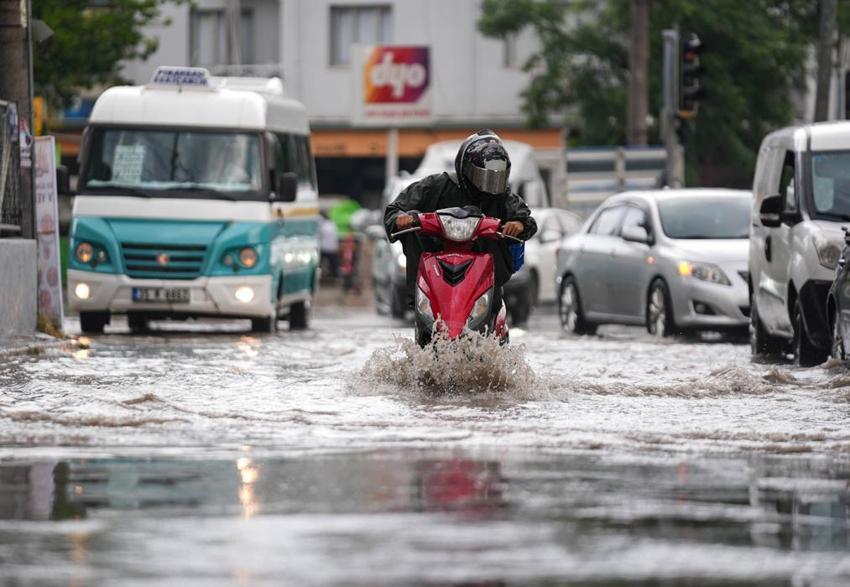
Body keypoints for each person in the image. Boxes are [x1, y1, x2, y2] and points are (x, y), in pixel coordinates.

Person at [384, 129, 537, 310]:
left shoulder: (503, 195)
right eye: (484, 176)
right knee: (413, 232)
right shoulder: (435, 185)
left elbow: (526, 218)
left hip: (486, 268)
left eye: (496, 178)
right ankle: (420, 297)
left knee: (495, 301)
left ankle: (492, 307)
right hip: (436, 256)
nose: (490, 183)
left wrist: (519, 223)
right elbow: (395, 209)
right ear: (466, 169)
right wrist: (401, 217)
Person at [319, 210, 339, 281]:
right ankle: (335, 276)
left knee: (321, 263)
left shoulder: (323, 224)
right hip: (331, 248)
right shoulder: (332, 224)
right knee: (333, 264)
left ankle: (321, 275)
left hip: (325, 248)